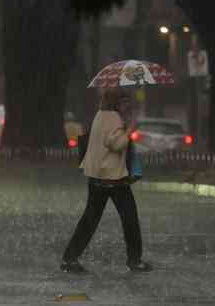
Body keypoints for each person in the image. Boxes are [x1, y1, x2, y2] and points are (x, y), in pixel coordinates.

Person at [60, 87, 152, 273]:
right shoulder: (113, 118)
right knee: (130, 219)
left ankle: (69, 258)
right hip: (113, 178)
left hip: (97, 177)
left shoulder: (100, 115)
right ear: (116, 103)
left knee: (89, 219)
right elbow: (116, 144)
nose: (129, 105)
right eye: (125, 101)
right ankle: (135, 260)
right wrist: (130, 129)